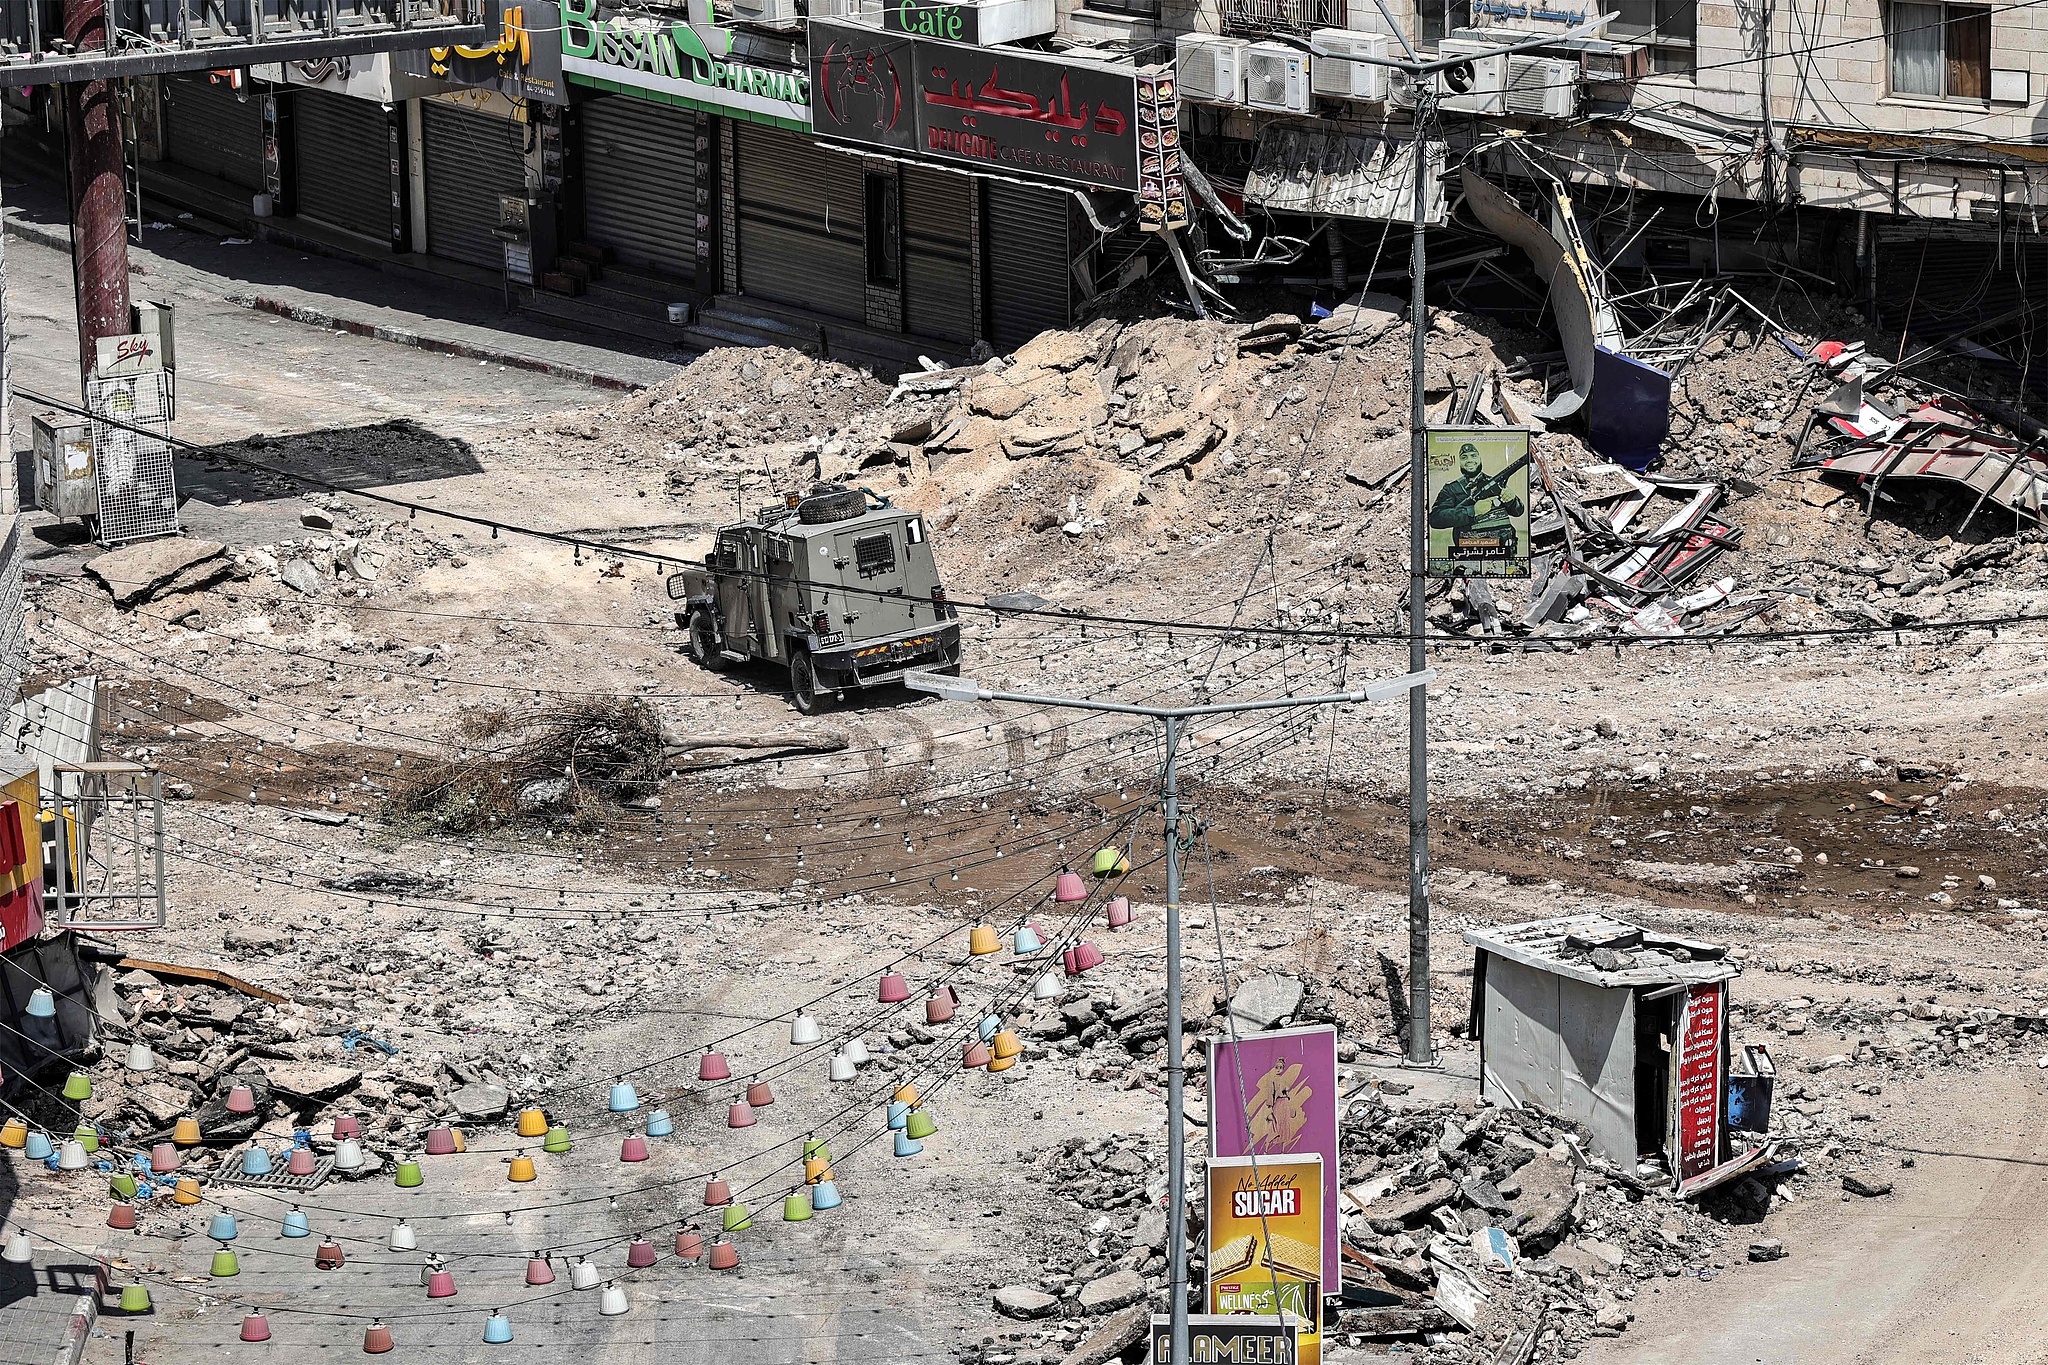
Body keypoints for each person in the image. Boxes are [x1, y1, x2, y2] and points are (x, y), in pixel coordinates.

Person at [1428, 442, 1524, 560]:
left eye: (1473, 456)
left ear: (1480, 458)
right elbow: (1435, 518)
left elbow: (1518, 511)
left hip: (1502, 549)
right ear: (1460, 462)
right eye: (1464, 457)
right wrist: (1473, 511)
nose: (1469, 460)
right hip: (1471, 552)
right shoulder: (1452, 488)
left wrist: (1512, 500)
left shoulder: (1494, 482)